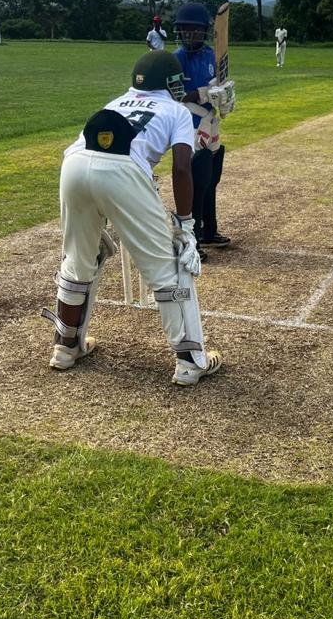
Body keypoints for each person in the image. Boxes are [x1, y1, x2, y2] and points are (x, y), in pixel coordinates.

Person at [41, 50, 222, 387]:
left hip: (74, 165)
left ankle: (64, 348)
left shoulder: (115, 102)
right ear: (171, 83)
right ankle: (189, 361)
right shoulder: (176, 110)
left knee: (78, 260)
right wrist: (185, 223)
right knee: (170, 266)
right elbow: (182, 168)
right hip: (123, 172)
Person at [173, 2, 236, 257]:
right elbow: (177, 95)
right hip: (189, 124)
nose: (189, 35)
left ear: (203, 32)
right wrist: (204, 93)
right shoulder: (176, 58)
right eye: (185, 30)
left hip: (211, 121)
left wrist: (226, 98)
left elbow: (222, 84)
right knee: (196, 180)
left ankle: (209, 230)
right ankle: (192, 238)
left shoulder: (213, 56)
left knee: (211, 178)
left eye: (194, 30)